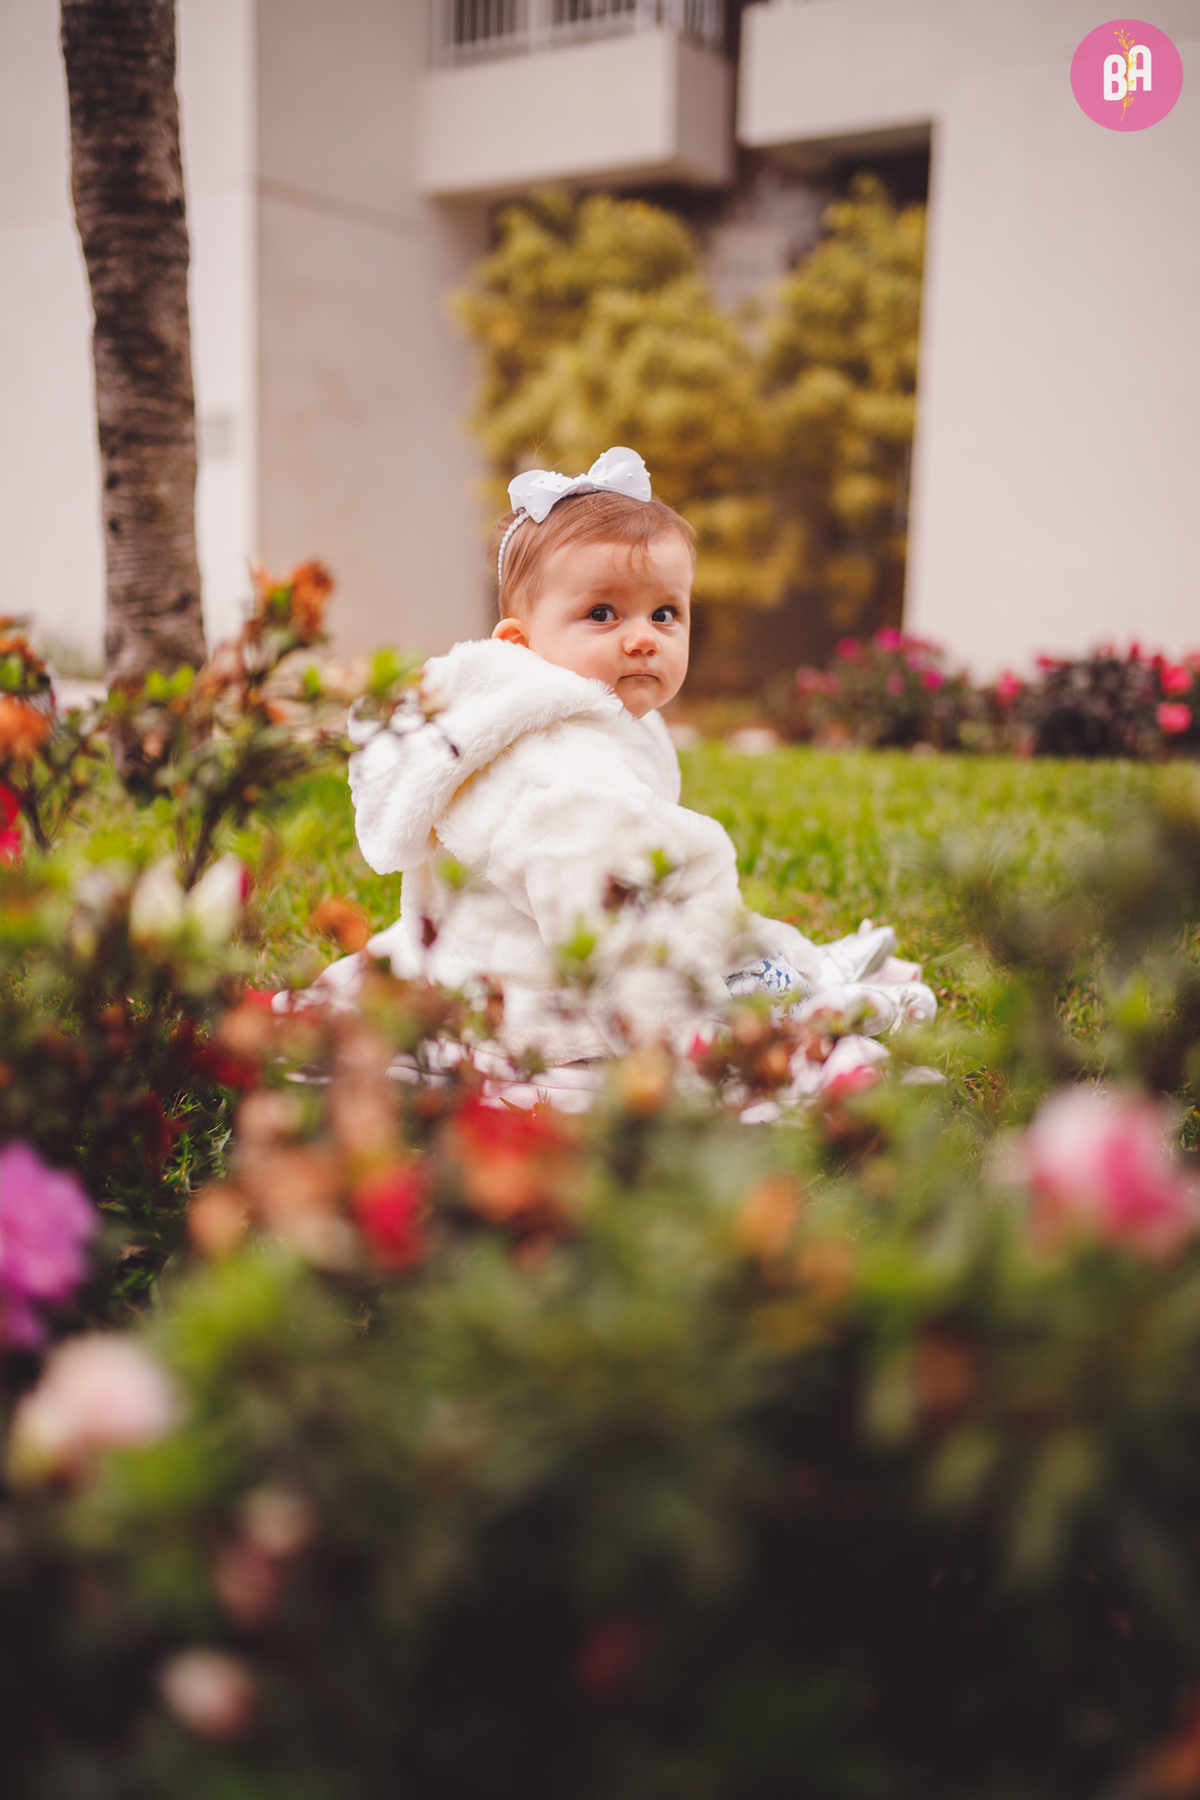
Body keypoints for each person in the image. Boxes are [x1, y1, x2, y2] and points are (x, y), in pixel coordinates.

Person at [337, 448, 935, 1077]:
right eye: (602, 613)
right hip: (542, 1002)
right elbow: (602, 922)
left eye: (665, 613)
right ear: (521, 643)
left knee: (726, 942)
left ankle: (790, 973)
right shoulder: (547, 770)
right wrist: (683, 1036)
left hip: (592, 950)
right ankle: (806, 1006)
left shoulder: (600, 720)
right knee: (739, 999)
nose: (643, 636)